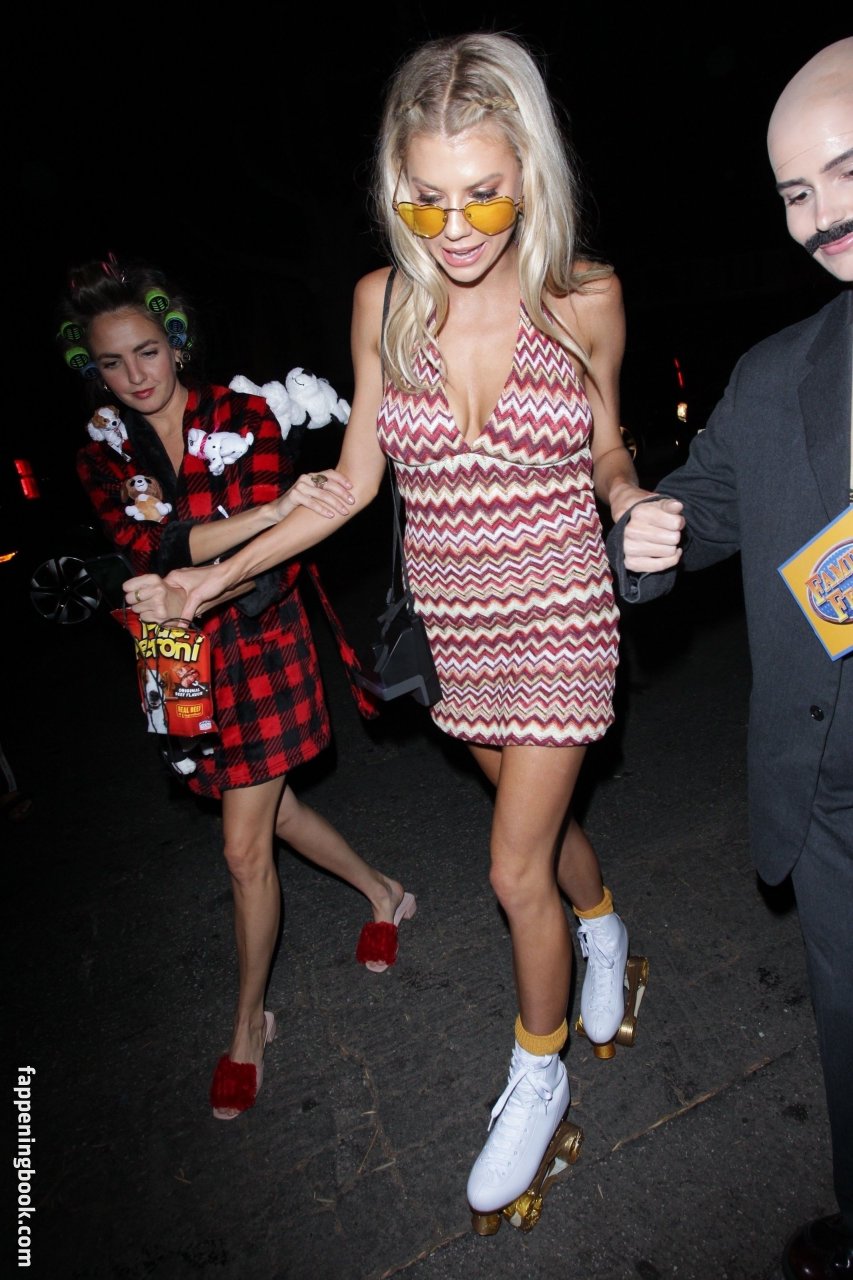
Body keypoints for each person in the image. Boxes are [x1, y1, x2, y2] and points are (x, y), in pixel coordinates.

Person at [126, 32, 647, 1228]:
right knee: (541, 829)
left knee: (509, 865)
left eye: (483, 194)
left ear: (530, 171)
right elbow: (352, 485)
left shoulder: (586, 295)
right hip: (457, 629)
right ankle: (606, 925)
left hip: (562, 612)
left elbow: (608, 442)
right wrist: (209, 582)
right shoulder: (384, 302)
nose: (453, 227)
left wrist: (628, 497)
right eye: (424, 198)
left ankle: (536, 1076)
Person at [56, 255, 419, 1123]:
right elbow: (153, 549)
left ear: (176, 342)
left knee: (242, 849)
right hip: (178, 665)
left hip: (261, 648)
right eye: (111, 363)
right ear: (92, 370)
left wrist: (247, 535)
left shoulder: (246, 413)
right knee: (272, 813)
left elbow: (264, 560)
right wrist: (266, 514)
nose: (135, 376)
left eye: (148, 351)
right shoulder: (101, 455)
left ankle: (249, 1025)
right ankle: (383, 892)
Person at [606, 38, 852, 1280]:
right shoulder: (773, 377)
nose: (821, 218)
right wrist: (640, 532)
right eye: (795, 193)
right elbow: (691, 511)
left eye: (846, 172)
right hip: (830, 802)